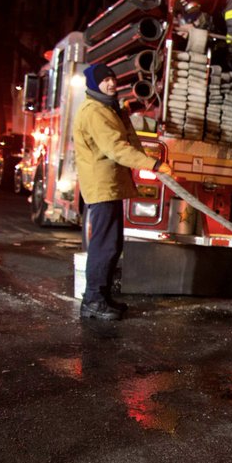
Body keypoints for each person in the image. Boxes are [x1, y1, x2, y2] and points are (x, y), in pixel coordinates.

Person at [73, 63, 172, 320]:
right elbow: (115, 148)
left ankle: (101, 297)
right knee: (104, 246)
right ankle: (93, 301)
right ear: (94, 84)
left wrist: (123, 113)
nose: (111, 83)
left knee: (112, 244)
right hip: (102, 187)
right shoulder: (95, 112)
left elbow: (125, 139)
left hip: (109, 186)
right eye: (105, 80)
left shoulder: (106, 108)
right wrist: (153, 164)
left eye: (113, 79)